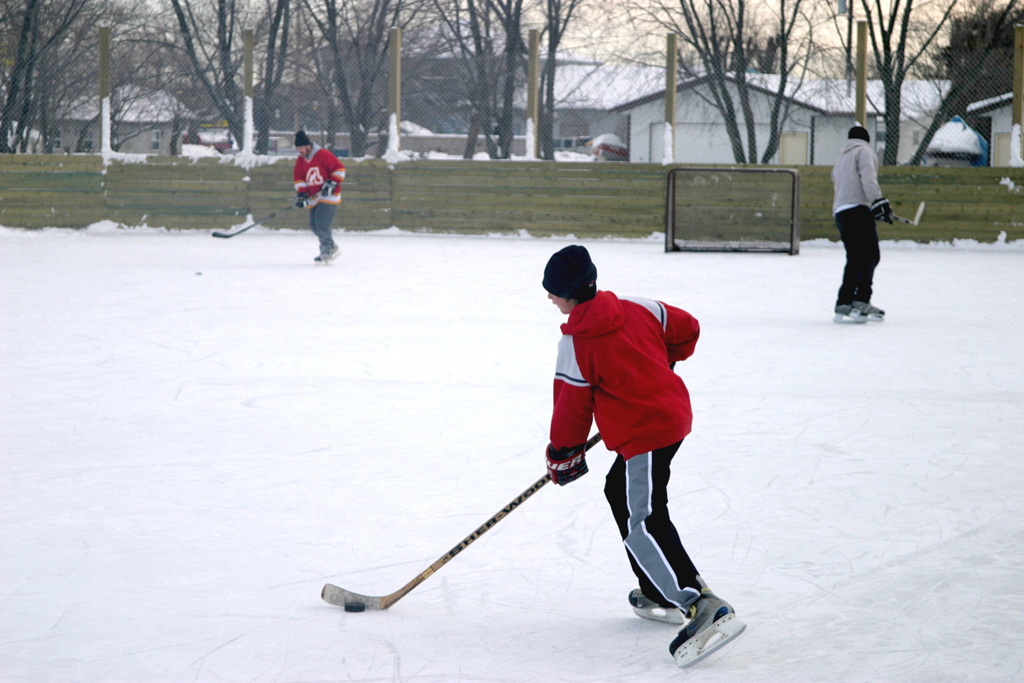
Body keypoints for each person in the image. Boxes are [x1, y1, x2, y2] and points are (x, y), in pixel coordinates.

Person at [541, 245, 745, 668]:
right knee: (620, 490)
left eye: (553, 292)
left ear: (570, 295)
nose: (549, 299)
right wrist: (659, 363)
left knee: (644, 522)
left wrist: (563, 454)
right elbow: (687, 329)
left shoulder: (576, 344)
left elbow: (571, 409)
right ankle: (656, 588)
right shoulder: (639, 307)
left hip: (646, 434)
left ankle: (699, 603)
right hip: (671, 417)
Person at [831, 125, 891, 323]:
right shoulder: (864, 151)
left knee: (854, 258)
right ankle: (861, 301)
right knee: (870, 255)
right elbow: (868, 178)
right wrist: (877, 201)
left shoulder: (841, 159)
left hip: (841, 212)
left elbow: (839, 183)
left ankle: (844, 302)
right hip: (858, 209)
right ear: (866, 139)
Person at [293, 130, 346, 264]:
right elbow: (299, 178)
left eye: (301, 147)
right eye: (298, 148)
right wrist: (302, 193)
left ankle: (326, 251)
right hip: (314, 196)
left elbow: (339, 169)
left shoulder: (323, 154)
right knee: (314, 225)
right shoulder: (301, 160)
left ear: (308, 146)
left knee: (322, 224)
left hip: (329, 195)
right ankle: (332, 246)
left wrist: (332, 182)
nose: (300, 150)